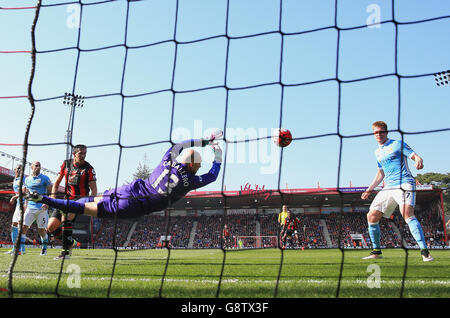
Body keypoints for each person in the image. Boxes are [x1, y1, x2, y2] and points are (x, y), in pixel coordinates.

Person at [27, 133, 223, 222]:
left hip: (128, 190)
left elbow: (180, 145)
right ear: (191, 166)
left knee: (82, 202)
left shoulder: (167, 160)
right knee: (82, 208)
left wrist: (205, 141)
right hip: (132, 205)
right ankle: (42, 199)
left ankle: (51, 205)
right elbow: (213, 176)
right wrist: (218, 153)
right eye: (198, 165)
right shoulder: (190, 182)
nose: (198, 169)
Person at [361, 121, 433, 262]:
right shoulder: (377, 152)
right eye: (376, 132)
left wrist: (418, 160)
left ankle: (425, 252)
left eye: (381, 132)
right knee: (372, 216)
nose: (379, 134)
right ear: (373, 134)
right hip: (389, 186)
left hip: (404, 182)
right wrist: (369, 190)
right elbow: (380, 174)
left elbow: (414, 155)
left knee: (407, 213)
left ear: (386, 133)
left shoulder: (397, 144)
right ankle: (376, 251)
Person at [48, 144, 98, 260]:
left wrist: (89, 203)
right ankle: (70, 242)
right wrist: (52, 199)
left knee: (66, 217)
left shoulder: (89, 169)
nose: (83, 155)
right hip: (66, 200)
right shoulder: (66, 164)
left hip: (79, 201)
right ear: (74, 154)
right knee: (50, 227)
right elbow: (56, 183)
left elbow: (94, 189)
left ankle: (64, 253)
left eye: (85, 153)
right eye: (80, 153)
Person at [22, 161, 53, 256]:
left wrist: (47, 203)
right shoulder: (27, 179)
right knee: (23, 227)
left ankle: (44, 248)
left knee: (41, 230)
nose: (38, 167)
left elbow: (51, 192)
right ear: (31, 167)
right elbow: (25, 193)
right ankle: (20, 249)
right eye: (36, 165)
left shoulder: (45, 178)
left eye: (39, 166)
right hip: (30, 207)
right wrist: (25, 204)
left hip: (42, 208)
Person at [5, 164, 26, 255]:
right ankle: (15, 248)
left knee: (20, 226)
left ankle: (21, 249)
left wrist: (14, 197)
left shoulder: (23, 179)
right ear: (14, 170)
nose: (19, 170)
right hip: (18, 204)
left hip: (24, 204)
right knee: (14, 225)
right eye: (17, 168)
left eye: (21, 169)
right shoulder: (15, 180)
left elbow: (24, 191)